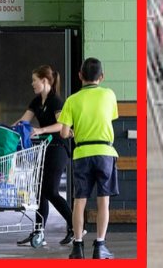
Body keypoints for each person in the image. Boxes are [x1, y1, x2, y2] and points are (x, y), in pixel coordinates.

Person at [58, 58, 119, 260]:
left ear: (80, 76)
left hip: (82, 154)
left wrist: (75, 132)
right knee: (103, 202)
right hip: (105, 153)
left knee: (79, 201)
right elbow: (107, 118)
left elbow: (64, 132)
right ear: (101, 77)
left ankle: (77, 246)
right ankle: (100, 246)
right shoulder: (109, 95)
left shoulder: (71, 100)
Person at [15, 65, 75, 246]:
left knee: (51, 190)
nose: (32, 83)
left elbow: (61, 125)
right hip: (45, 147)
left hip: (59, 147)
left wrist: (40, 129)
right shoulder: (36, 101)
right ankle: (38, 232)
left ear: (45, 81)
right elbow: (23, 120)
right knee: (40, 190)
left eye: (34, 80)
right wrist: (6, 129)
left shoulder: (56, 101)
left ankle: (75, 226)